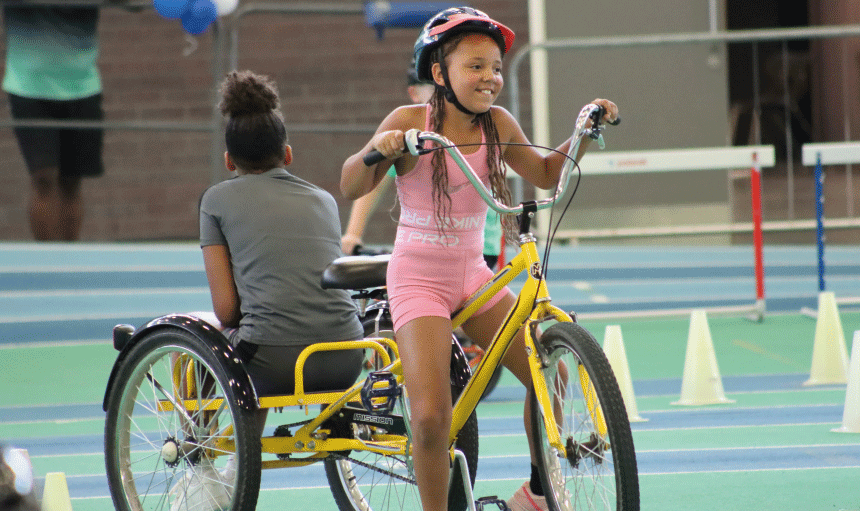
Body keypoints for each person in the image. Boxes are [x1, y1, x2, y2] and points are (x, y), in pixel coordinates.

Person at [341, 7, 618, 511]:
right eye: (475, 66)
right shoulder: (409, 123)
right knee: (429, 419)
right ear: (440, 73)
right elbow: (350, 183)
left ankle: (538, 489)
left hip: (474, 275)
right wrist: (376, 153)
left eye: (495, 67)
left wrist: (582, 130)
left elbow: (546, 172)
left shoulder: (498, 124)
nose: (490, 77)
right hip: (418, 277)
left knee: (548, 372)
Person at [173, 69, 365, 511]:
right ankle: (233, 468)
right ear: (288, 154)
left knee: (204, 345)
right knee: (253, 339)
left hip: (274, 362)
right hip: (346, 359)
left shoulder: (217, 201)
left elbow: (226, 308)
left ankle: (203, 471)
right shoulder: (324, 199)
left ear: (228, 160)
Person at [341, 67, 504, 270]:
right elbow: (375, 182)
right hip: (433, 245)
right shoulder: (414, 134)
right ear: (414, 93)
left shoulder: (477, 125)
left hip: (482, 245)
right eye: (434, 88)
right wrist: (353, 233)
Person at [2, 6, 105, 241]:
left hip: (82, 86)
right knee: (43, 178)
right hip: (29, 87)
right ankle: (45, 260)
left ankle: (70, 258)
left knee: (71, 182)